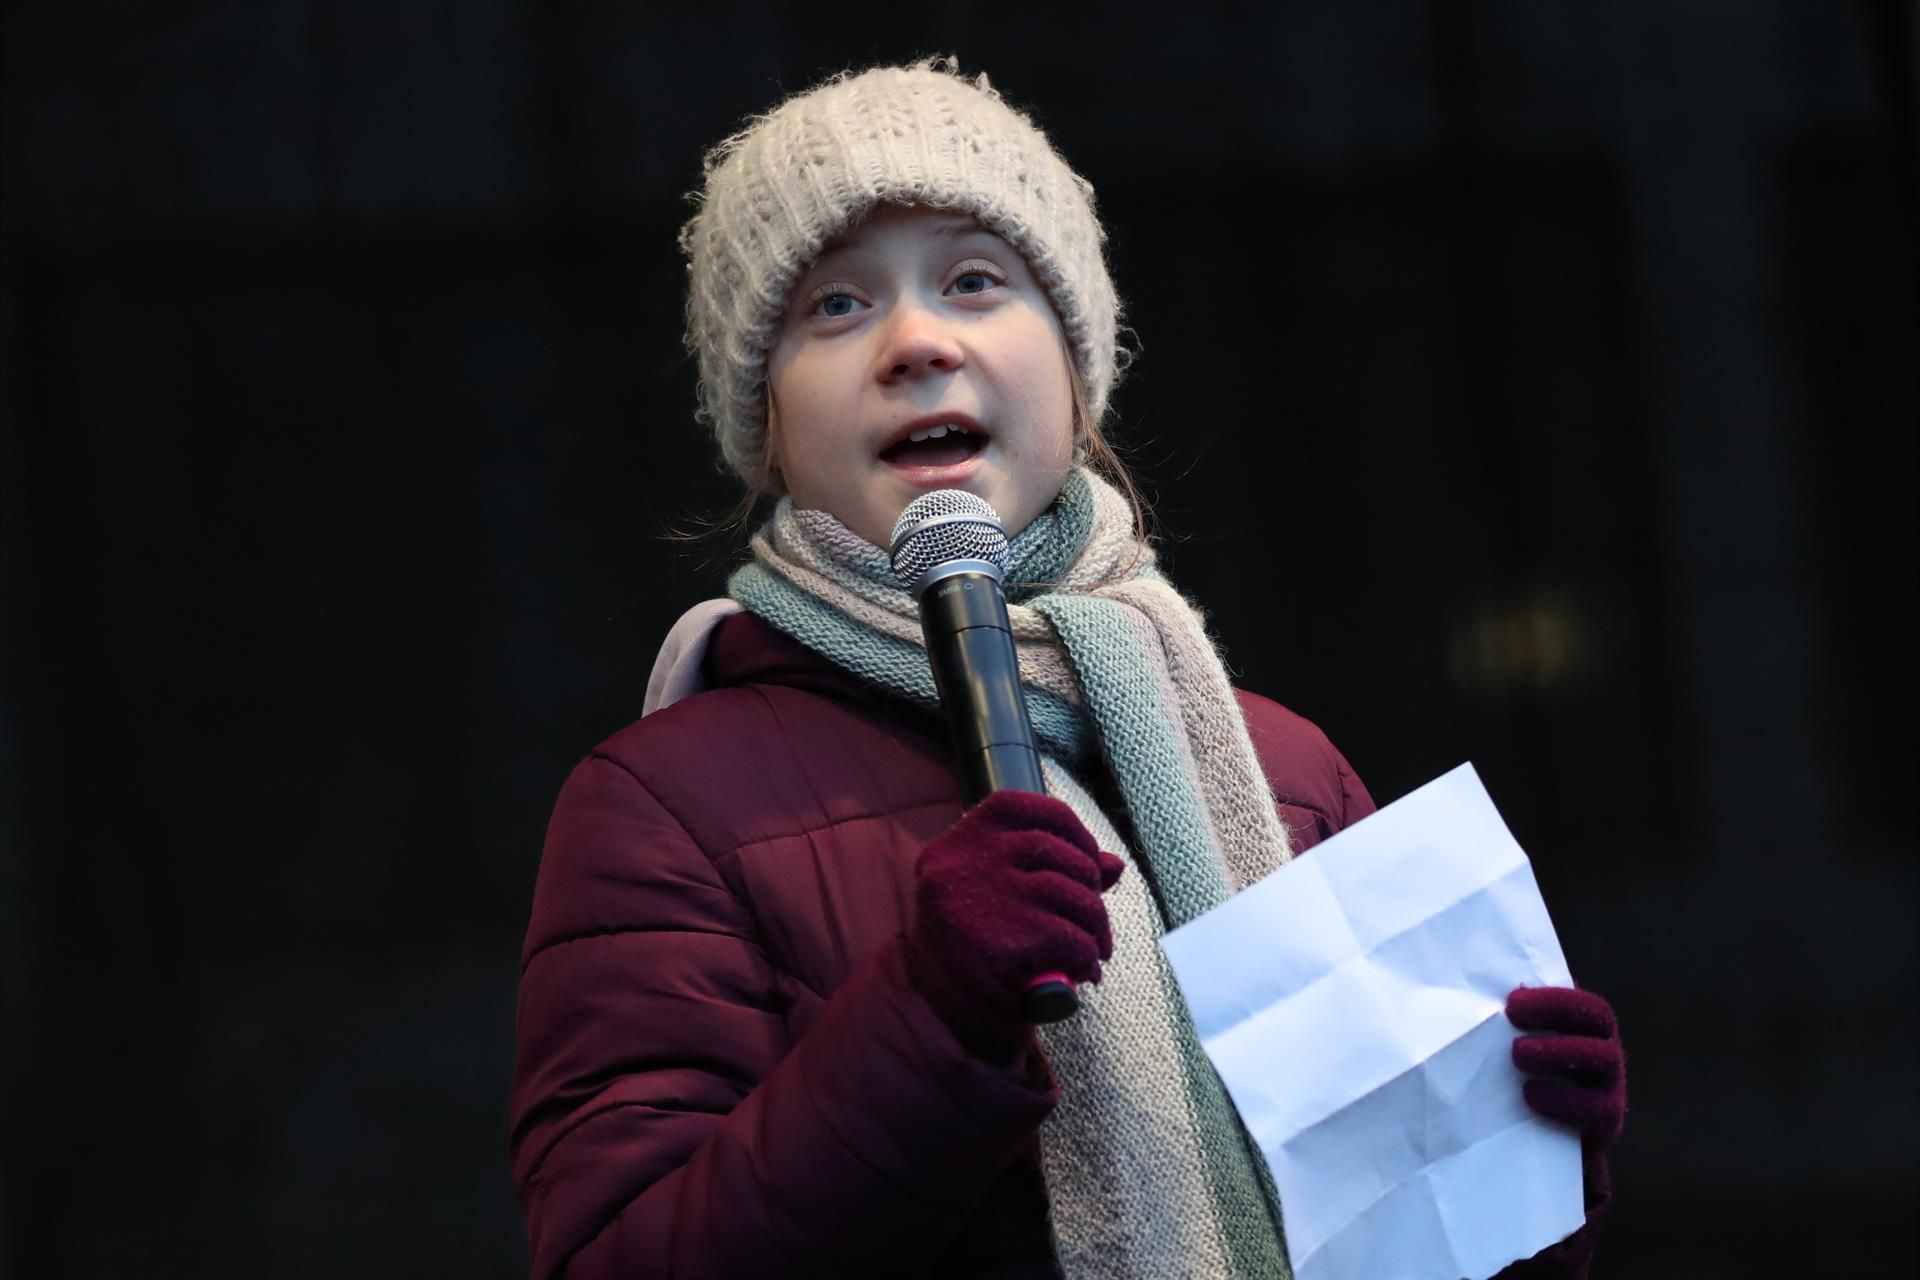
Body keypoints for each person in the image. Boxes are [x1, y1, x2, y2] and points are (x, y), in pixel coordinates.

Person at [508, 59, 1627, 1280]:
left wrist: (1533, 1163)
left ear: (1077, 371)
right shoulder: (663, 802)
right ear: (763, 421)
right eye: (834, 305)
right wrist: (928, 1012)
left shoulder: (1283, 766)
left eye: (976, 280)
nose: (917, 341)